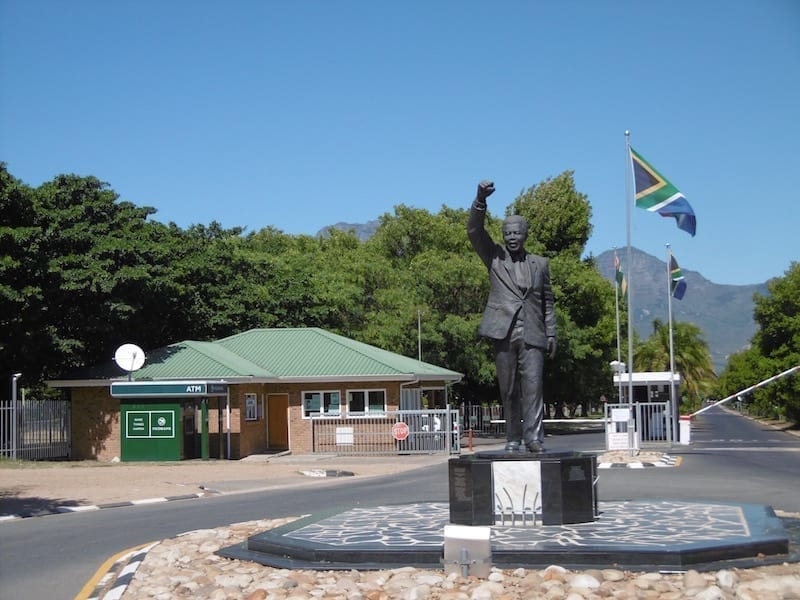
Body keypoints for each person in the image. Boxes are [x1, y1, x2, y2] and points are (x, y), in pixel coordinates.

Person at [467, 180, 557, 453]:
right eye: (507, 233)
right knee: (508, 390)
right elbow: (474, 230)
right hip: (502, 332)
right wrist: (480, 200)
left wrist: (551, 332)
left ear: (525, 234)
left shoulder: (540, 264)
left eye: (516, 233)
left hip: (533, 333)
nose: (511, 237)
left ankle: (534, 438)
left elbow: (547, 301)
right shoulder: (493, 257)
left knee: (533, 389)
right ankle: (513, 437)